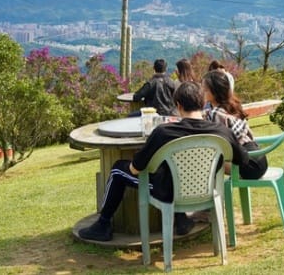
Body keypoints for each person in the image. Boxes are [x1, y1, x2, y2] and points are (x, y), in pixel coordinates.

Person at [78, 81, 256, 242]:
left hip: (168, 193)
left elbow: (135, 169)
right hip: (208, 189)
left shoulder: (164, 132)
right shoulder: (221, 132)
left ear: (178, 106)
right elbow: (243, 159)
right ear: (203, 104)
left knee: (118, 169)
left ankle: (103, 224)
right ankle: (181, 219)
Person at [201, 69, 269, 179]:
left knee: (208, 160)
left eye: (205, 90)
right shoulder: (231, 106)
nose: (202, 92)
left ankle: (211, 194)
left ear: (215, 91)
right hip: (259, 160)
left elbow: (218, 146)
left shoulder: (215, 113)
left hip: (248, 165)